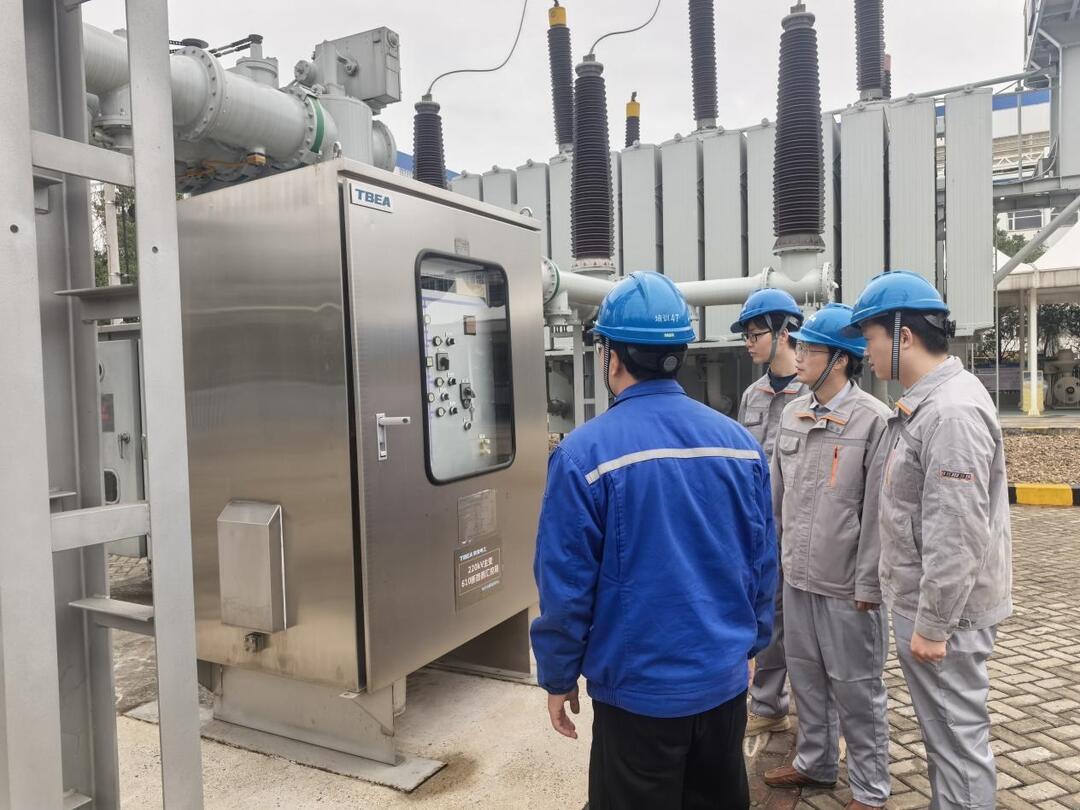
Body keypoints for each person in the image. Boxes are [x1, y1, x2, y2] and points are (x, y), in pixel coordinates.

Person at [532, 271, 778, 810]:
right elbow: (762, 562)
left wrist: (558, 674)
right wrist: (751, 644)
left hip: (637, 697)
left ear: (612, 356)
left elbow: (565, 585)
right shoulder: (740, 446)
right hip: (722, 685)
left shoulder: (583, 455)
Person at [848, 270, 1013, 810]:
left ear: (903, 336)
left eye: (870, 338)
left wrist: (934, 625)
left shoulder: (950, 412)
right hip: (929, 607)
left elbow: (957, 531)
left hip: (946, 616)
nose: (865, 351)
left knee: (957, 744)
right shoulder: (929, 403)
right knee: (946, 739)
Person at [760, 303, 891, 810]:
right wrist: (773, 567)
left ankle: (871, 790)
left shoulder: (874, 421)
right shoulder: (794, 414)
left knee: (857, 689)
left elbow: (879, 515)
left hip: (846, 587)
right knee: (806, 676)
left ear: (839, 359)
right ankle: (815, 762)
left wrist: (869, 585)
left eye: (809, 349)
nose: (797, 356)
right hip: (797, 578)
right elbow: (776, 500)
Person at [730, 288, 806, 736]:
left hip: (804, 528)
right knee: (768, 617)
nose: (748, 343)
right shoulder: (752, 395)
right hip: (761, 527)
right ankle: (768, 705)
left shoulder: (812, 390)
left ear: (785, 332)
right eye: (746, 335)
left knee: (810, 629)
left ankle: (821, 723)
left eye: (755, 333)